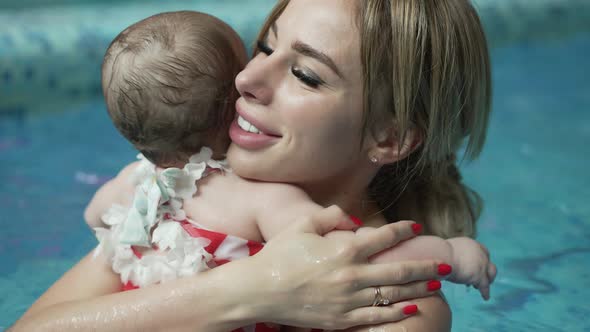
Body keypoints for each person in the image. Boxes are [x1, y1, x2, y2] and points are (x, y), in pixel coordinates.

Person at [11, 0, 493, 330]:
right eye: (265, 46)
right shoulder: (181, 206)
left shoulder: (393, 303)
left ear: (389, 137)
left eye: (305, 75)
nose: (246, 77)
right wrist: (249, 291)